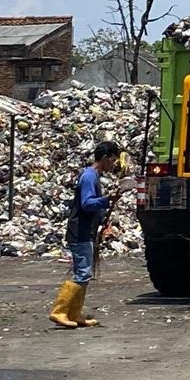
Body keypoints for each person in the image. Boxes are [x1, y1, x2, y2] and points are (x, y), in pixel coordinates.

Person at [49, 140, 121, 329]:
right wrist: (106, 200)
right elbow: (87, 203)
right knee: (82, 272)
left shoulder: (92, 176)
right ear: (104, 158)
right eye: (112, 161)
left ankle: (74, 314)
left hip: (85, 230)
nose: (113, 165)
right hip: (80, 230)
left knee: (85, 272)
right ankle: (60, 311)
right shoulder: (89, 177)